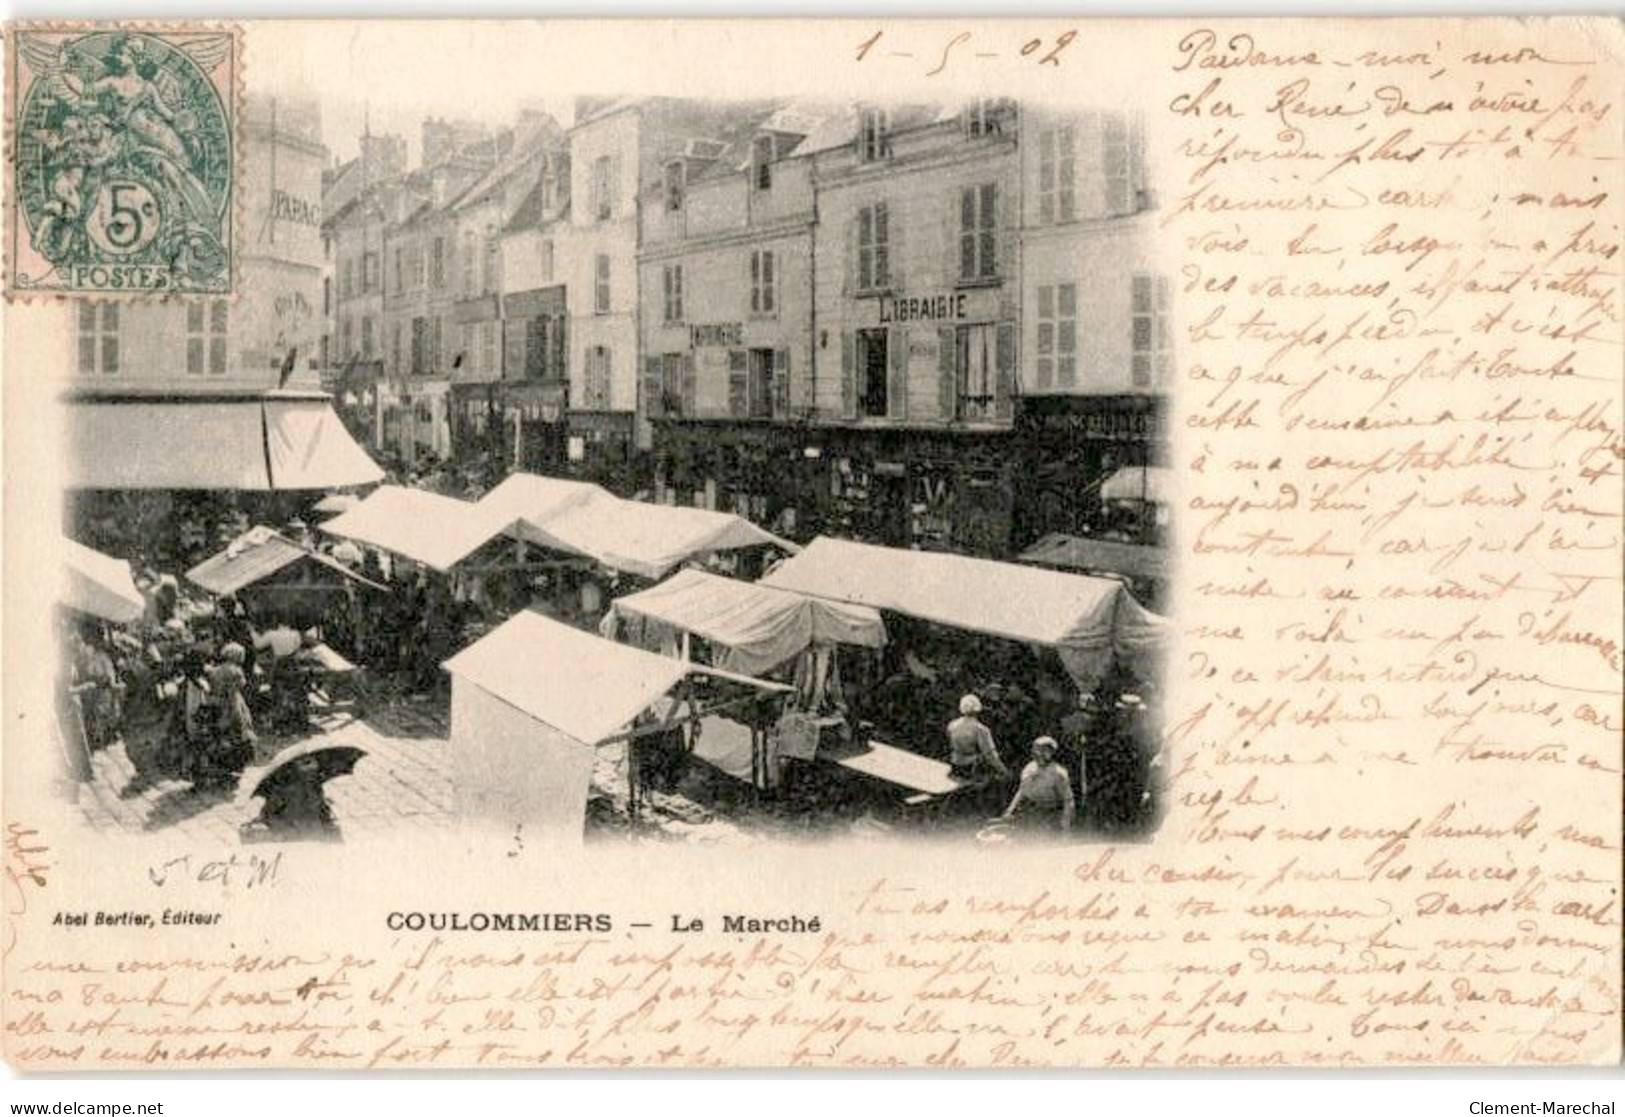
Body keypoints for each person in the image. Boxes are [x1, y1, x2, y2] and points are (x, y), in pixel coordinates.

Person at [1002, 736, 1075, 833]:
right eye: (1036, 750)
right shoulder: (1029, 768)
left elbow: (1068, 801)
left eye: (1043, 750)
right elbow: (1022, 791)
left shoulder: (1058, 774)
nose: (1038, 754)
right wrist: (1010, 811)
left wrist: (1065, 826)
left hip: (1050, 817)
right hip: (1029, 815)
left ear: (1051, 752)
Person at [946, 694, 1010, 785]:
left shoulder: (952, 725)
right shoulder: (981, 729)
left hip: (954, 765)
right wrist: (1004, 771)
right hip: (971, 768)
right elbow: (990, 755)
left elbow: (950, 743)